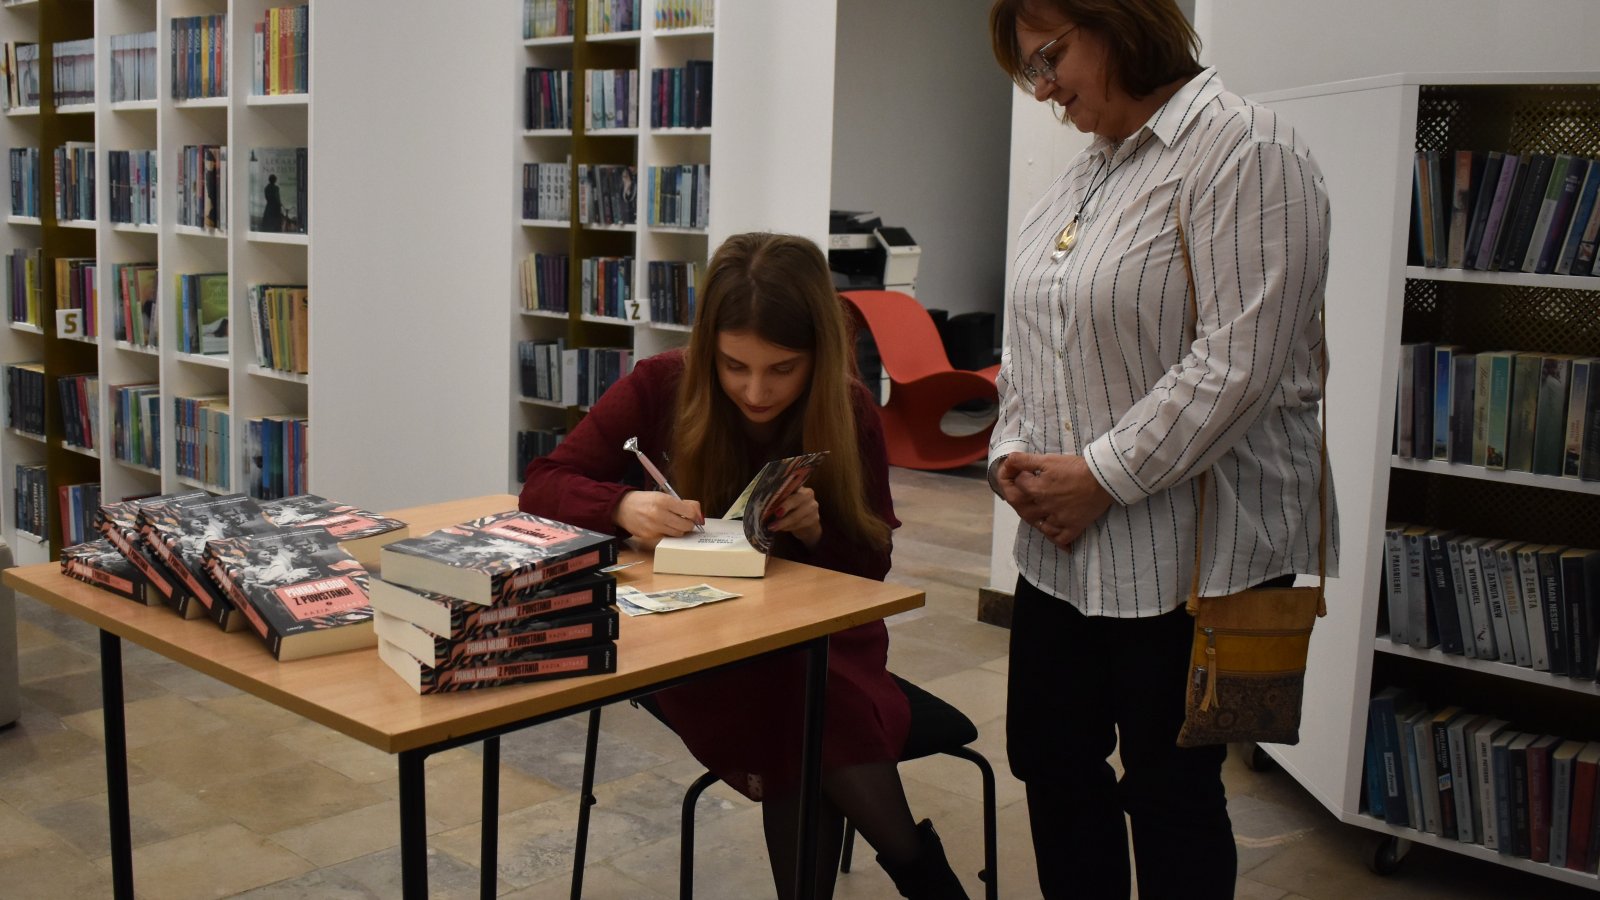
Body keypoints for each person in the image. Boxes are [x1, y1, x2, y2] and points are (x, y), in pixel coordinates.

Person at [985, 2, 1337, 898]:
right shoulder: (1087, 172)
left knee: (1170, 790)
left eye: (1051, 57)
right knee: (1050, 760)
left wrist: (1101, 477)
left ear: (1120, 20)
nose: (1044, 89)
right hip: (1060, 549)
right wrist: (1011, 454)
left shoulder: (1248, 150)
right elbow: (1033, 339)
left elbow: (1239, 361)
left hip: (1189, 555)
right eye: (1030, 72)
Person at [520, 232, 968, 899]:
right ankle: (927, 878)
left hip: (823, 644)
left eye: (783, 369)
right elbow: (543, 483)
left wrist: (819, 533)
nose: (756, 390)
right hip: (700, 643)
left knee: (807, 688)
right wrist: (623, 505)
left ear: (820, 354)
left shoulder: (848, 408)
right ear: (708, 350)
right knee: (805, 700)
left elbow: (871, 567)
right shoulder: (662, 383)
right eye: (734, 366)